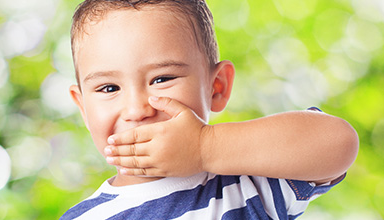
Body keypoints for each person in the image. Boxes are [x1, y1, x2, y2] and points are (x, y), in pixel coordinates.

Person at [60, 0, 359, 219]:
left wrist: (205, 147)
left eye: (162, 79)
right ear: (84, 108)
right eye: (109, 88)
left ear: (217, 87)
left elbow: (338, 142)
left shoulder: (246, 182)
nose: (136, 110)